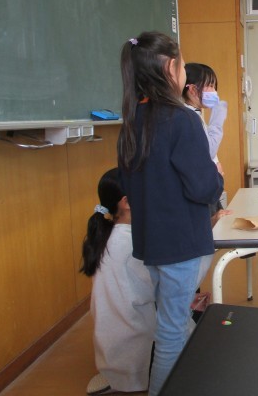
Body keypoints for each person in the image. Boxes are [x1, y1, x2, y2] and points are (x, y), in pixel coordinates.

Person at [117, 31, 224, 396]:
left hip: (152, 243)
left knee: (171, 321)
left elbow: (130, 185)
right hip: (182, 244)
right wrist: (217, 178)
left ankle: (191, 378)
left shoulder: (131, 122)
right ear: (171, 68)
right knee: (171, 332)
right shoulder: (182, 120)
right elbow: (204, 188)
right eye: (182, 65)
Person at [80, 168, 155, 396]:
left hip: (112, 346)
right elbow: (160, 287)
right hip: (132, 347)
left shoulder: (109, 235)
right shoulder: (130, 242)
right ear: (127, 202)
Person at [182, 62, 230, 223]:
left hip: (209, 183)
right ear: (192, 89)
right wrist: (218, 115)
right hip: (203, 186)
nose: (214, 91)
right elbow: (208, 149)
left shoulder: (195, 114)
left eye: (214, 86)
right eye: (210, 86)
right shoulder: (189, 117)